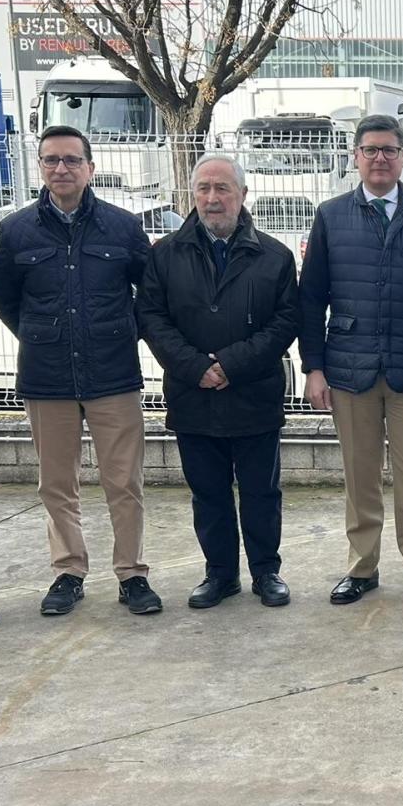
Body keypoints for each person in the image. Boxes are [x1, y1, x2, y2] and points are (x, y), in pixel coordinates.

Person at [0, 125, 159, 617]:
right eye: (51, 160)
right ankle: (68, 571)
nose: (61, 168)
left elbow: (150, 294)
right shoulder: (16, 231)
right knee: (56, 483)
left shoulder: (123, 227)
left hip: (113, 375)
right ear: (40, 167)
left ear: (90, 168)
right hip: (47, 377)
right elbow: (4, 298)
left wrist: (120, 333)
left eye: (71, 160)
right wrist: (40, 334)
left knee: (123, 482)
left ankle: (132, 574)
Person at [298, 114, 403, 607]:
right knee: (360, 476)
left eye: (389, 150)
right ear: (355, 157)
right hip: (349, 369)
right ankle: (361, 568)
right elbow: (311, 299)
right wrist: (313, 367)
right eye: (370, 150)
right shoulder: (331, 216)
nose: (379, 158)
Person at [139, 155, 302, 610]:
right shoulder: (164, 254)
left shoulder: (274, 256)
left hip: (254, 395)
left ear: (242, 195)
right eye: (204, 188)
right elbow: (151, 317)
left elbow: (286, 321)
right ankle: (220, 574)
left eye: (223, 188)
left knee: (261, 493)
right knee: (208, 494)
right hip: (193, 396)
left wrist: (231, 363)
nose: (213, 198)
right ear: (192, 195)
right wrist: (196, 367)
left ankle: (266, 572)